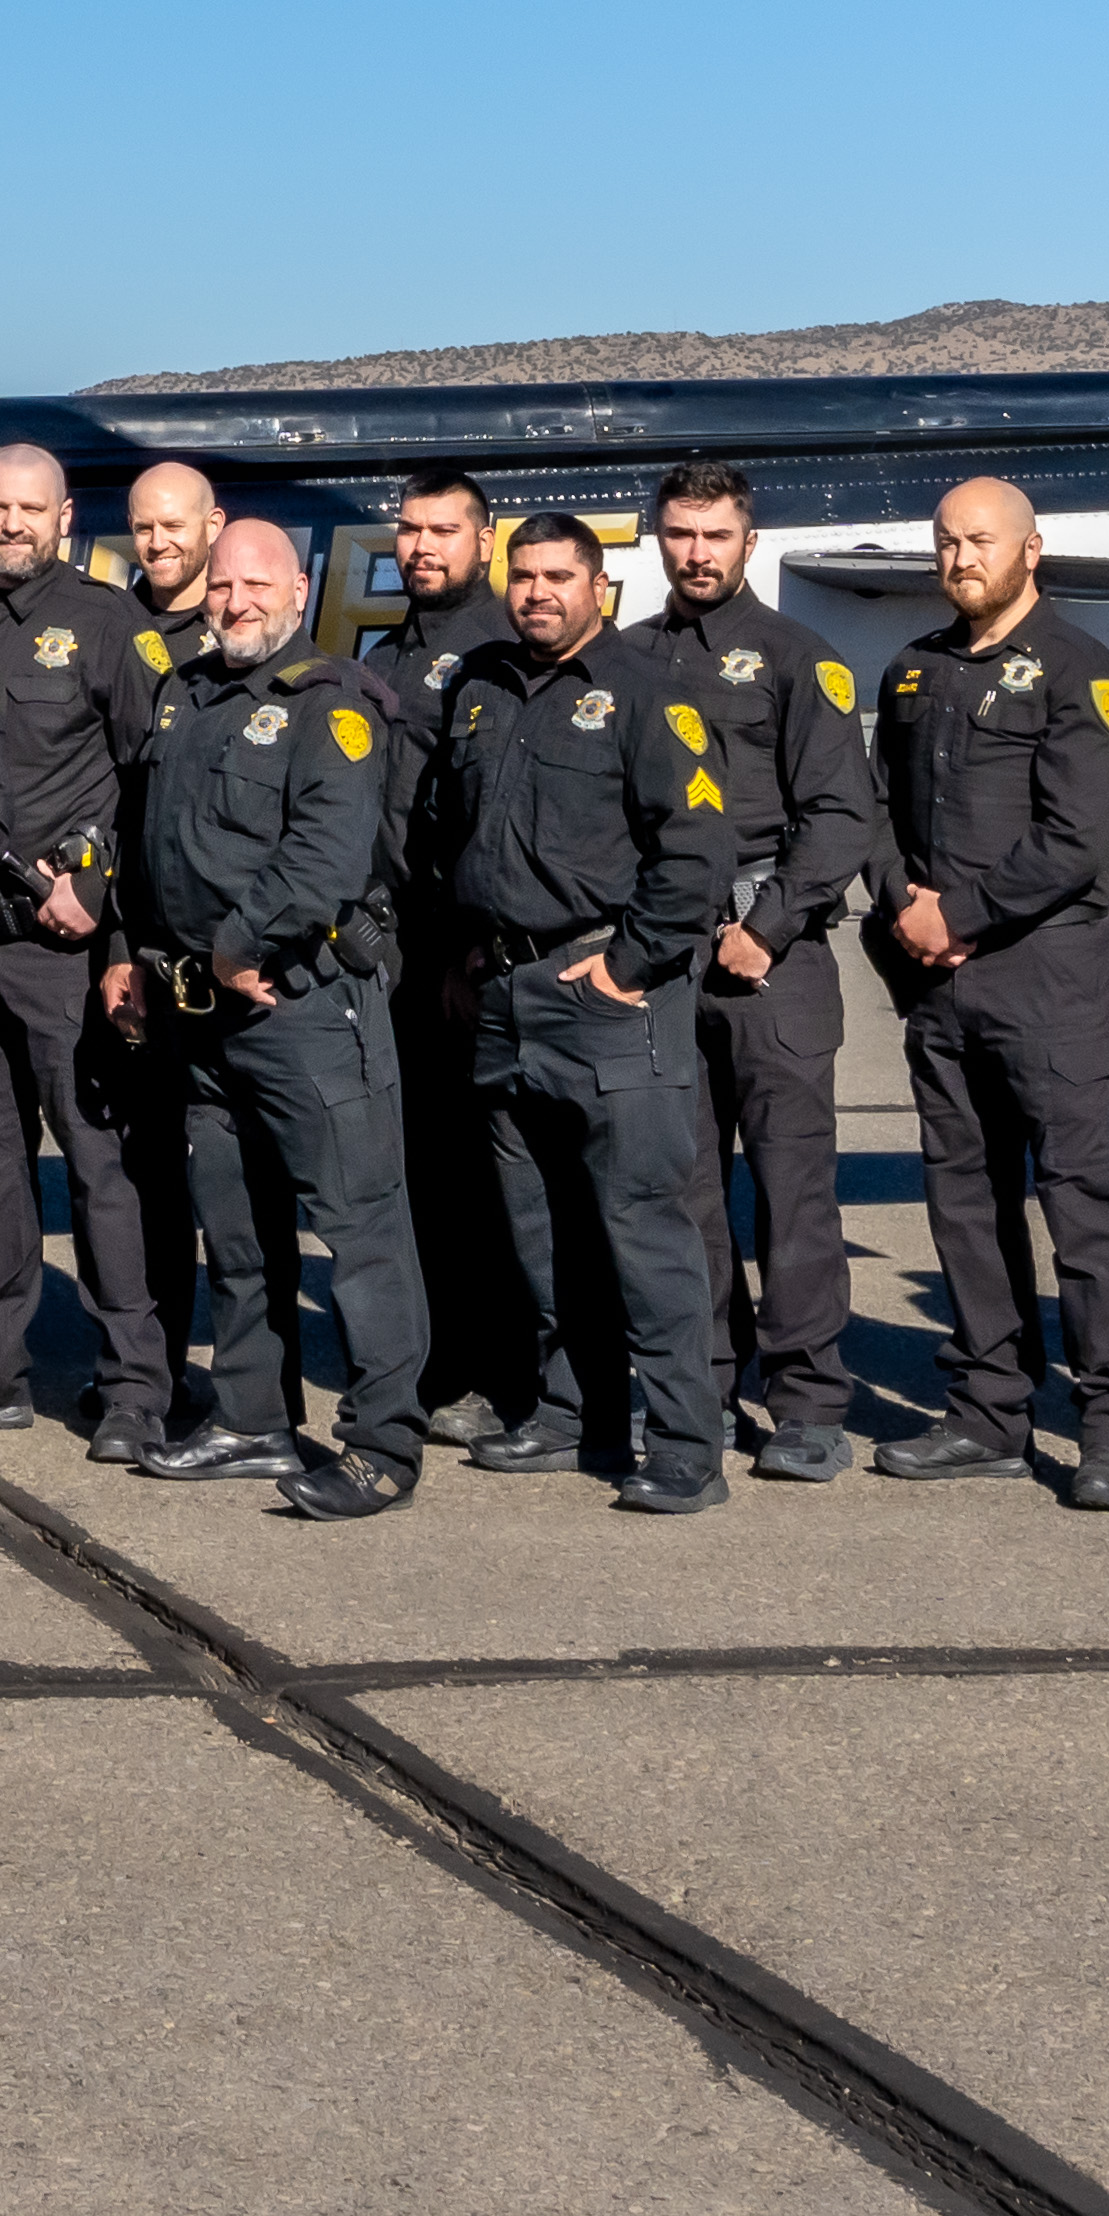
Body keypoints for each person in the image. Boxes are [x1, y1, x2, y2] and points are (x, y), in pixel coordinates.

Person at [425, 514, 740, 1514]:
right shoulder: (476, 685)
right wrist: (465, 950)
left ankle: (686, 1442)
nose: (536, 592)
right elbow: (448, 832)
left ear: (599, 583)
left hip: (606, 995)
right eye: (523, 575)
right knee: (538, 1228)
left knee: (643, 1228)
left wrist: (631, 963)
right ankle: (575, 1413)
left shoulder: (646, 690)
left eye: (558, 575)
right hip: (506, 996)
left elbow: (695, 848)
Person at [123, 508, 429, 1513]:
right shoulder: (190, 694)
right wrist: (143, 953)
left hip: (298, 1007)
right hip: (202, 1023)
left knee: (361, 1227)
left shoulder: (332, 703)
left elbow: (327, 856)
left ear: (299, 590)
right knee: (239, 1228)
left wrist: (235, 939)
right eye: (222, 585)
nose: (236, 600)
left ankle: (383, 1441)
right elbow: (155, 845)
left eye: (257, 584)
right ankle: (252, 1416)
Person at [867, 478, 1109, 1510]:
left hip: (1048, 973)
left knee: (1080, 1199)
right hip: (939, 982)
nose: (960, 557)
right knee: (963, 1195)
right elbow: (881, 811)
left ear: (1031, 548)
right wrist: (903, 903)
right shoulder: (913, 673)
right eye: (945, 541)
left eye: (980, 540)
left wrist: (962, 913)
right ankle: (990, 1408)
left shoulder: (1085, 674)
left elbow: (1073, 840)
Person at [0, 439, 193, 1462]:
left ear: (64, 516)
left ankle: (134, 1386)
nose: (12, 523)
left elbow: (152, 773)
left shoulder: (108, 623)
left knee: (104, 1170)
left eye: (31, 507)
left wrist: (106, 901)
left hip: (61, 948)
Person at [638, 466, 888, 1483]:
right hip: (660, 957)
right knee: (682, 1190)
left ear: (751, 539)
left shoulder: (798, 658)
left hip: (766, 962)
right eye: (681, 531)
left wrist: (772, 924)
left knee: (794, 1197)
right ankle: (699, 1382)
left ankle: (806, 1402)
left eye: (717, 533)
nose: (698, 551)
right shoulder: (630, 658)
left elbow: (842, 812)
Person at [353, 474, 530, 1446]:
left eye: (444, 528)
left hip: (475, 952)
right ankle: (441, 1360)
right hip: (399, 952)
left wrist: (472, 944)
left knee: (498, 1176)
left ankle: (510, 1372)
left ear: (484, 536)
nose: (424, 544)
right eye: (411, 528)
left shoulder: (505, 647)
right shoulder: (387, 653)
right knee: (422, 1169)